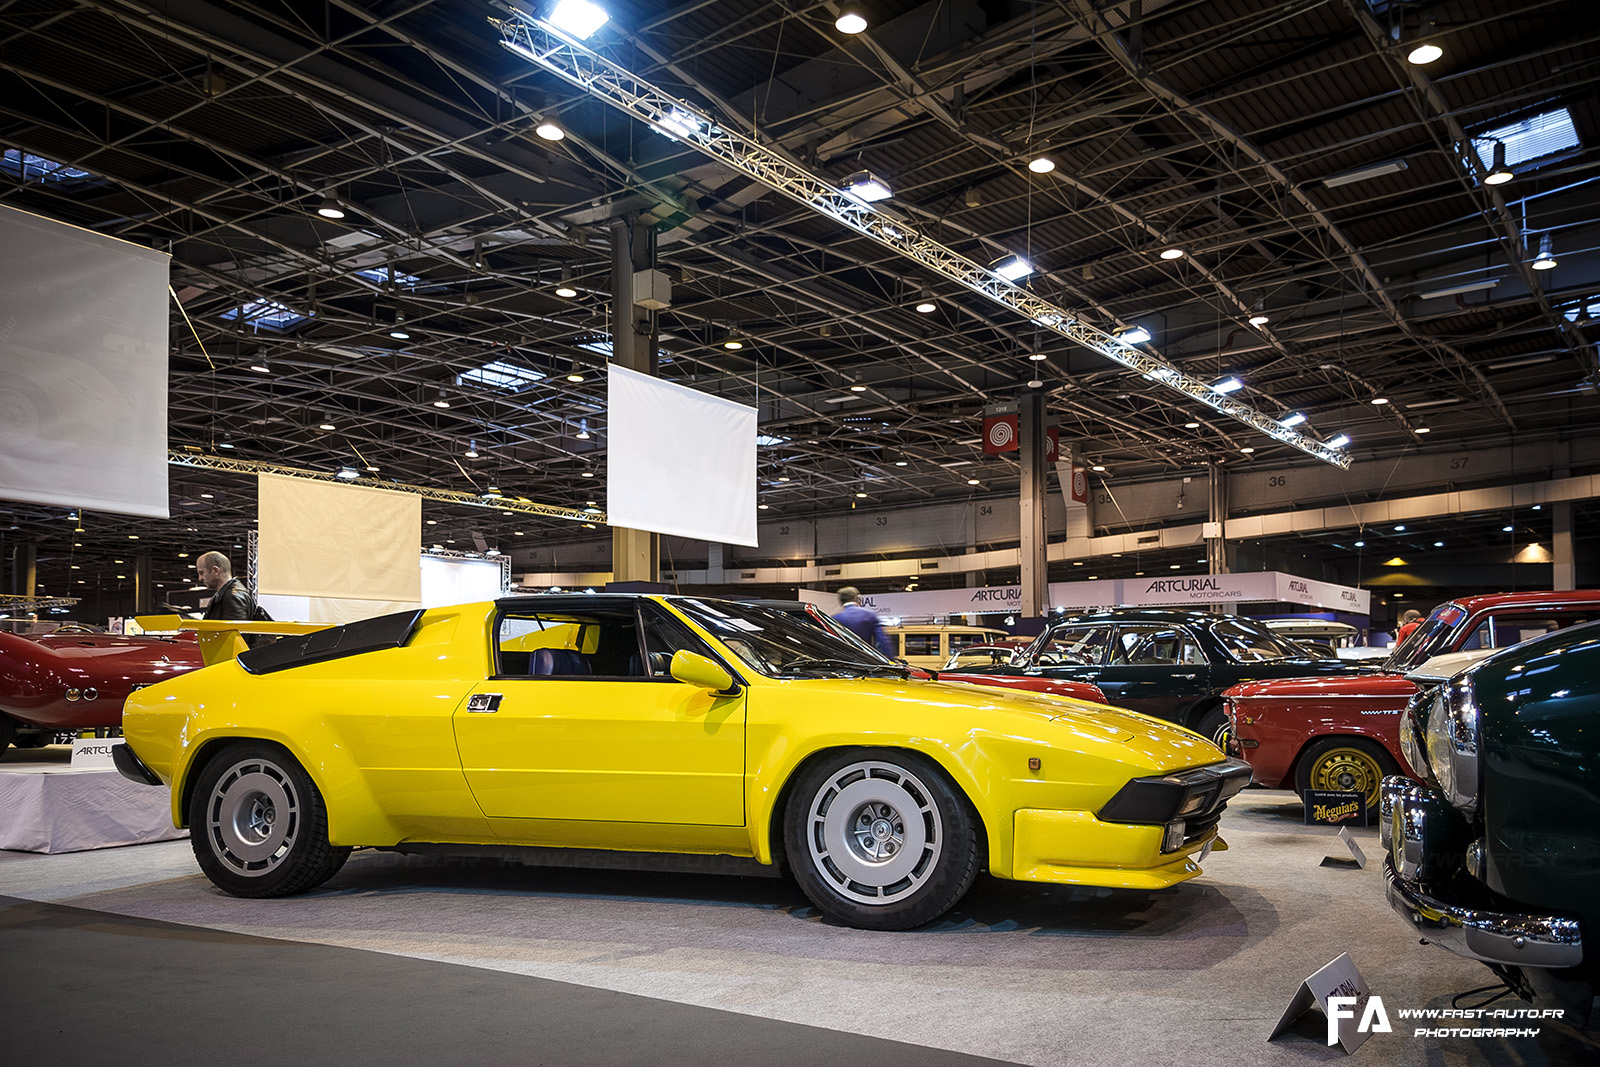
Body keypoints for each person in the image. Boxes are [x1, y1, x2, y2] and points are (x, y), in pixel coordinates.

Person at [196, 551, 257, 621]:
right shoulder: (229, 595)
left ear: (215, 570)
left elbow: (235, 630)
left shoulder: (233, 597)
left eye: (202, 573)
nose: (200, 578)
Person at [832, 586, 893, 657]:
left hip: (844, 661)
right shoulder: (870, 615)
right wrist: (890, 660)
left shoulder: (835, 618)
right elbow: (882, 641)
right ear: (857, 598)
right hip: (866, 661)